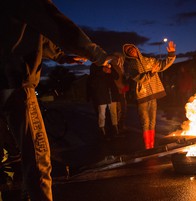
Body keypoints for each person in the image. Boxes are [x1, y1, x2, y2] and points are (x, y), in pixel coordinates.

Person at [0, 0, 110, 200]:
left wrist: (62, 57)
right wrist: (97, 54)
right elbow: (54, 23)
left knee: (8, 159)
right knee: (37, 161)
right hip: (14, 85)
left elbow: (36, 33)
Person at [123, 41, 176, 149]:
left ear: (136, 48)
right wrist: (151, 72)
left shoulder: (149, 60)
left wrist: (171, 54)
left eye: (132, 48)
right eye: (128, 50)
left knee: (153, 121)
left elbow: (162, 64)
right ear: (127, 54)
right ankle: (148, 146)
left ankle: (151, 145)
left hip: (153, 94)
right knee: (145, 122)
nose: (131, 50)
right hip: (142, 95)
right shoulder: (130, 66)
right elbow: (139, 78)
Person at [87, 59, 120, 140]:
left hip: (111, 93)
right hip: (101, 94)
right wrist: (103, 70)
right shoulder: (94, 66)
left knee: (114, 113)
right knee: (102, 114)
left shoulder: (108, 65)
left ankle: (116, 131)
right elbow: (93, 78)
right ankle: (102, 132)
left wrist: (110, 71)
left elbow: (116, 76)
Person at [111, 52, 129, 134]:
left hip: (122, 92)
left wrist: (125, 86)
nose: (118, 59)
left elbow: (123, 80)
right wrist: (121, 88)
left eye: (120, 57)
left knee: (123, 110)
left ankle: (120, 126)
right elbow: (114, 80)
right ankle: (117, 127)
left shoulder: (121, 68)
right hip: (116, 92)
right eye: (116, 57)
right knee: (119, 111)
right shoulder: (112, 67)